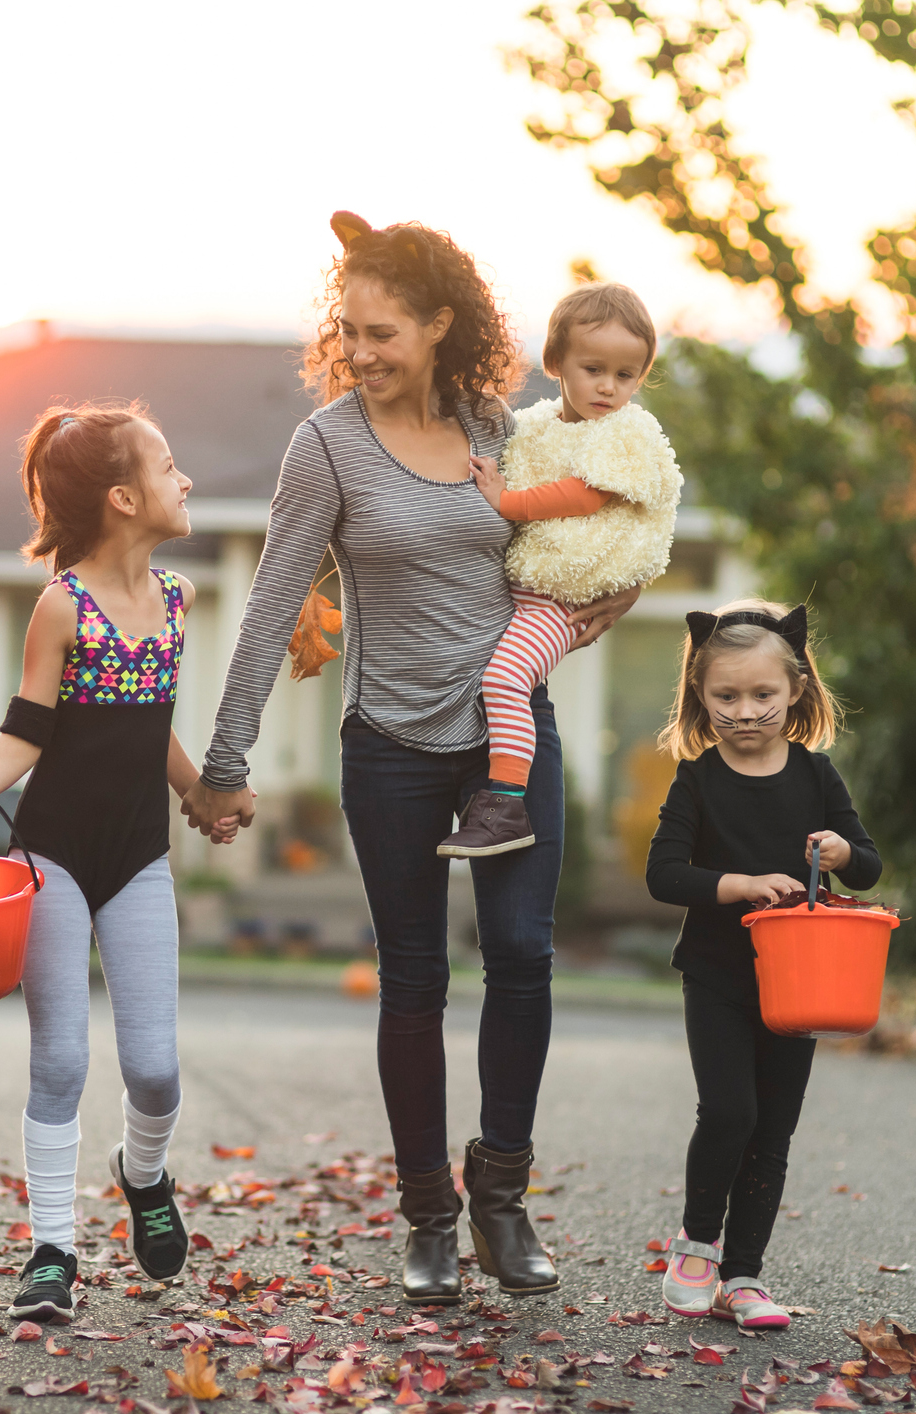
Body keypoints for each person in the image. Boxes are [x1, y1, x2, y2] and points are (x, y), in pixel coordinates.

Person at [182, 212, 642, 1304]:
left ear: (442, 324)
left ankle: (502, 1194)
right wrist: (225, 756)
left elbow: (581, 540)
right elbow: (270, 604)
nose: (364, 352)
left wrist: (603, 602)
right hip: (388, 745)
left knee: (523, 953)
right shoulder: (326, 444)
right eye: (350, 331)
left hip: (510, 737)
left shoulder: (503, 428)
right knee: (415, 980)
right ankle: (429, 1215)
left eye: (385, 331)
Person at [0, 403, 237, 1323]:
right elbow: (27, 730)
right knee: (60, 1063)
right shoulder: (63, 605)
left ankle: (143, 1171)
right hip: (51, 857)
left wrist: (198, 790)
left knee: (157, 1070)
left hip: (137, 857)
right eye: (169, 467)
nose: (186, 480)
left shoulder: (178, 599)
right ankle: (51, 1252)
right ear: (124, 498)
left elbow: (150, 719)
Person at [644, 599, 881, 1329]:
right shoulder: (697, 779)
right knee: (728, 1111)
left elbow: (866, 865)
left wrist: (841, 853)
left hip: (799, 983)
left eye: (761, 695)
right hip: (717, 974)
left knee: (771, 1128)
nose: (744, 712)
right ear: (699, 696)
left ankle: (743, 1278)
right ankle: (695, 1247)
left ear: (795, 691)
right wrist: (740, 885)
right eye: (725, 697)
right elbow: (663, 874)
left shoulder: (816, 776)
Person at [439, 283, 682, 858]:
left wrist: (506, 502)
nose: (608, 387)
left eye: (626, 375)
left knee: (504, 681)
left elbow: (583, 496)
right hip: (527, 593)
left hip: (562, 599)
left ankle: (504, 804)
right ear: (554, 363)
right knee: (493, 678)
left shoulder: (626, 434)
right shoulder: (539, 426)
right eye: (593, 368)